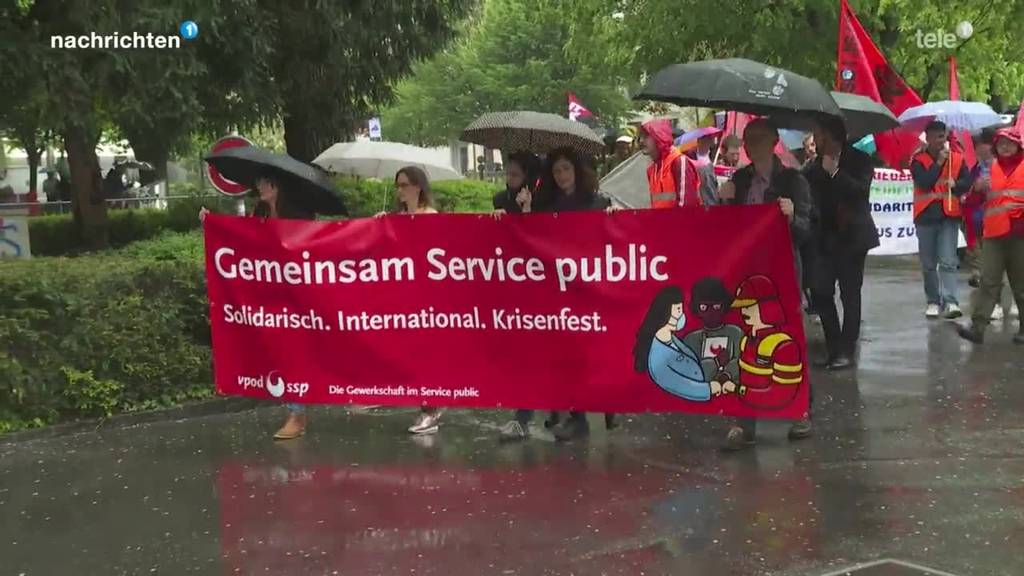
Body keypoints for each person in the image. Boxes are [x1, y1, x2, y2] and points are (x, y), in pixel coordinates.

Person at [716, 118, 813, 450]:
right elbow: (725, 232)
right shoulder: (739, 181)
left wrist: (791, 216)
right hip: (747, 272)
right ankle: (744, 421)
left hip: (783, 268)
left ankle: (800, 410)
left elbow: (806, 232)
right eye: (747, 139)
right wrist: (724, 201)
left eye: (758, 138)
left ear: (773, 141)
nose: (751, 144)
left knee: (789, 336)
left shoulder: (793, 181)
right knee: (744, 339)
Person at [199, 171, 315, 440]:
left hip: (299, 297)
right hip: (269, 297)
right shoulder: (258, 212)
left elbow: (312, 249)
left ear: (278, 186)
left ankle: (300, 413)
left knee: (298, 354)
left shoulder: (299, 216)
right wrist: (212, 223)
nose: (259, 186)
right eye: (259, 182)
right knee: (283, 354)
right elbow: (240, 239)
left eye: (264, 182)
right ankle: (296, 413)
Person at [521, 147, 618, 441]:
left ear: (576, 170)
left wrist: (613, 217)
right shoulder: (546, 204)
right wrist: (524, 210)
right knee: (570, 353)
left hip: (590, 288)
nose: (562, 175)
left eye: (566, 169)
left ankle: (608, 401)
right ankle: (577, 416)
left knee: (595, 351)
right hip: (560, 290)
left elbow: (612, 240)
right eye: (556, 171)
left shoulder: (597, 202)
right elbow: (530, 238)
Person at [804, 116, 879, 370]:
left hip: (853, 238)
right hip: (825, 239)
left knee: (850, 294)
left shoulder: (860, 160)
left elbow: (860, 192)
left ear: (831, 136)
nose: (814, 140)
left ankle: (847, 349)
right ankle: (833, 346)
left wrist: (835, 173)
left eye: (818, 134)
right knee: (821, 292)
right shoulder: (814, 167)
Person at [376, 167, 444, 434]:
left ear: (418, 187)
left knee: (427, 352)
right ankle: (427, 403)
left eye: (404, 185)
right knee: (412, 353)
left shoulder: (432, 217)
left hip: (428, 295)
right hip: (404, 295)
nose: (400, 190)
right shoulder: (397, 219)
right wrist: (380, 226)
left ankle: (431, 407)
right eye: (397, 185)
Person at [956, 127, 1024, 345]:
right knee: (988, 282)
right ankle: (977, 328)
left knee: (1021, 286)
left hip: (1020, 235)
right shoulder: (987, 169)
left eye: (1010, 143)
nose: (1005, 147)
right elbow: (971, 201)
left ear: (1018, 146)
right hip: (994, 234)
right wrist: (976, 189)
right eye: (1001, 143)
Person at [910, 120, 972, 319]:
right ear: (927, 138)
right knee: (928, 263)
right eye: (935, 137)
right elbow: (925, 183)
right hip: (925, 217)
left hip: (949, 216)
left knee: (948, 260)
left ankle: (951, 301)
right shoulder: (918, 160)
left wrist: (957, 184)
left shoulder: (957, 159)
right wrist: (938, 163)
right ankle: (933, 301)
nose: (939, 141)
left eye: (942, 136)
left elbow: (966, 183)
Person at [633, 286, 717, 402]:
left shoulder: (673, 339)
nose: (681, 314)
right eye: (678, 310)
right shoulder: (657, 356)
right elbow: (678, 384)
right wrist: (709, 389)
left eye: (681, 309)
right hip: (686, 404)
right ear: (666, 312)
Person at [682, 277, 744, 383]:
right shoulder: (691, 339)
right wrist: (716, 362)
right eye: (704, 307)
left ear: (724, 306)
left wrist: (727, 374)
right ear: (696, 308)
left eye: (716, 306)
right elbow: (690, 370)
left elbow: (742, 362)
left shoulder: (735, 333)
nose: (711, 313)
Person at [640, 118, 702, 208]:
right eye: (640, 137)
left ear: (659, 136)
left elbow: (687, 206)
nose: (641, 141)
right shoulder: (651, 170)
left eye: (646, 136)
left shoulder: (678, 162)